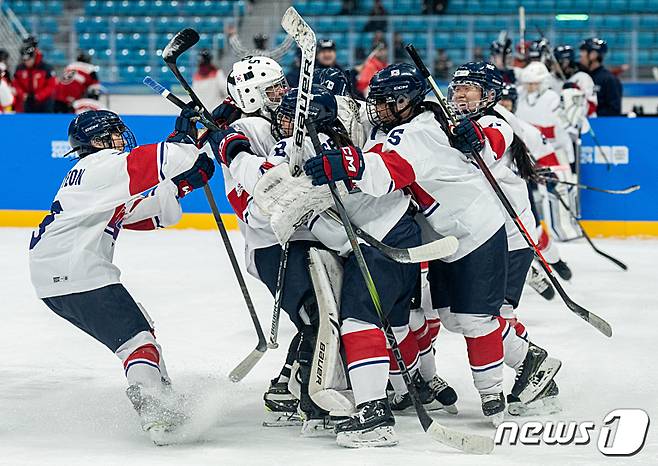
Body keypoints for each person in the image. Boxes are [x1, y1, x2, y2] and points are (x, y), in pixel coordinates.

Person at [304, 63, 560, 425]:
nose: (377, 109)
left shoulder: (440, 127)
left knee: (476, 318)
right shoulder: (420, 122)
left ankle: (492, 395)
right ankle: (528, 359)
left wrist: (350, 165)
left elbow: (392, 171)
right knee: (454, 318)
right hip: (447, 235)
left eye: (386, 102)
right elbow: (377, 143)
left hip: (481, 229)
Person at [28, 109, 216, 444]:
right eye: (114, 133)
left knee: (140, 329)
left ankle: (162, 397)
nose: (121, 139)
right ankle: (154, 410)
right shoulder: (98, 166)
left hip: (56, 277)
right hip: (77, 270)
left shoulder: (95, 180)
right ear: (97, 141)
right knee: (136, 341)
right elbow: (166, 158)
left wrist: (183, 185)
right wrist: (186, 140)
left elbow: (153, 216)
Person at [208, 56, 320, 431]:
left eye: (280, 85)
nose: (283, 93)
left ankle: (286, 388)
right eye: (273, 90)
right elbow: (269, 176)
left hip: (298, 236)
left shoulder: (265, 121)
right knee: (316, 317)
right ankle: (312, 398)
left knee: (320, 316)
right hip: (273, 242)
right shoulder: (249, 125)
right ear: (250, 95)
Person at [13, 36, 56, 113]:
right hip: (27, 103)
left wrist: (38, 96)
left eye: (29, 59)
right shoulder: (20, 68)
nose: (27, 62)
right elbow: (16, 84)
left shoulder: (46, 68)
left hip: (44, 103)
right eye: (24, 60)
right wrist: (23, 95)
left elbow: (51, 86)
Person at [579, 37, 622, 116]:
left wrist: (591, 115)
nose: (580, 55)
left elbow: (614, 111)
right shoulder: (579, 77)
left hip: (600, 126)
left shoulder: (609, 79)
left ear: (593, 55)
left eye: (583, 52)